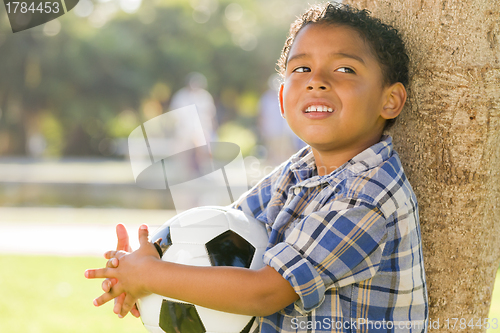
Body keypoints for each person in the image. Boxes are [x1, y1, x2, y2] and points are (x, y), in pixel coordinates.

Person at [85, 3, 428, 332]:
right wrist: (146, 262)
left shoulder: (369, 195)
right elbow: (226, 229)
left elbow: (265, 292)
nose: (317, 81)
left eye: (345, 69)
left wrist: (149, 276)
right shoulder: (301, 170)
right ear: (282, 99)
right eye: (301, 69)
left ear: (390, 100)